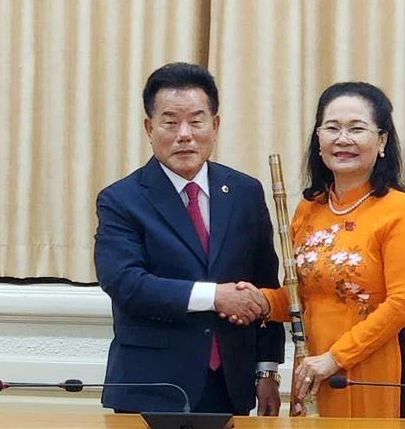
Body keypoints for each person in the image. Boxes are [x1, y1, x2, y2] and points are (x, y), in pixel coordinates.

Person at [94, 62, 285, 415]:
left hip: (231, 384)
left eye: (196, 121)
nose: (184, 134)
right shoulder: (121, 200)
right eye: (170, 122)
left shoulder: (245, 192)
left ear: (215, 125)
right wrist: (216, 297)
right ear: (149, 128)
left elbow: (265, 285)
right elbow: (126, 284)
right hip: (152, 387)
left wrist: (267, 369)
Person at [254, 82, 405, 418]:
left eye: (356, 129)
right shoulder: (309, 209)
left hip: (376, 365)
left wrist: (336, 358)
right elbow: (300, 296)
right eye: (331, 128)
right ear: (318, 140)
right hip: (313, 363)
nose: (342, 139)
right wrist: (256, 301)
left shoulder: (397, 209)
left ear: (382, 141)